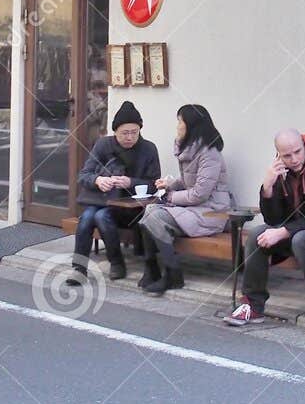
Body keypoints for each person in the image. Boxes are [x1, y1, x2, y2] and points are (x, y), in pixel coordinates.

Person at [225, 128, 305, 337]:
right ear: (279, 155)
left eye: (297, 152)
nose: (294, 159)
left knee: (301, 239)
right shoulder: (281, 172)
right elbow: (273, 219)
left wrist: (284, 231)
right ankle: (253, 304)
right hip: (295, 233)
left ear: (303, 145)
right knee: (257, 235)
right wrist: (268, 188)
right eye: (287, 156)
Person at [65, 100, 161, 286]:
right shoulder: (103, 145)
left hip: (132, 210)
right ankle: (79, 269)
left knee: (100, 216)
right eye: (125, 133)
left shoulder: (148, 149)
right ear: (115, 131)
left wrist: (130, 182)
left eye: (135, 132)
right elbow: (84, 175)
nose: (130, 137)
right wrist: (98, 180)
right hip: (104, 201)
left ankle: (117, 263)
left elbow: (154, 184)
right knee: (87, 218)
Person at [138, 104, 231, 295]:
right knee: (149, 211)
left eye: (180, 121)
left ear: (191, 125)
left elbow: (200, 193)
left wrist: (170, 196)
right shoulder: (190, 149)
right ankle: (153, 269)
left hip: (212, 212)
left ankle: (172, 274)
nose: (178, 126)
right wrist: (170, 184)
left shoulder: (209, 154)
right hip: (195, 209)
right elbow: (189, 180)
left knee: (154, 216)